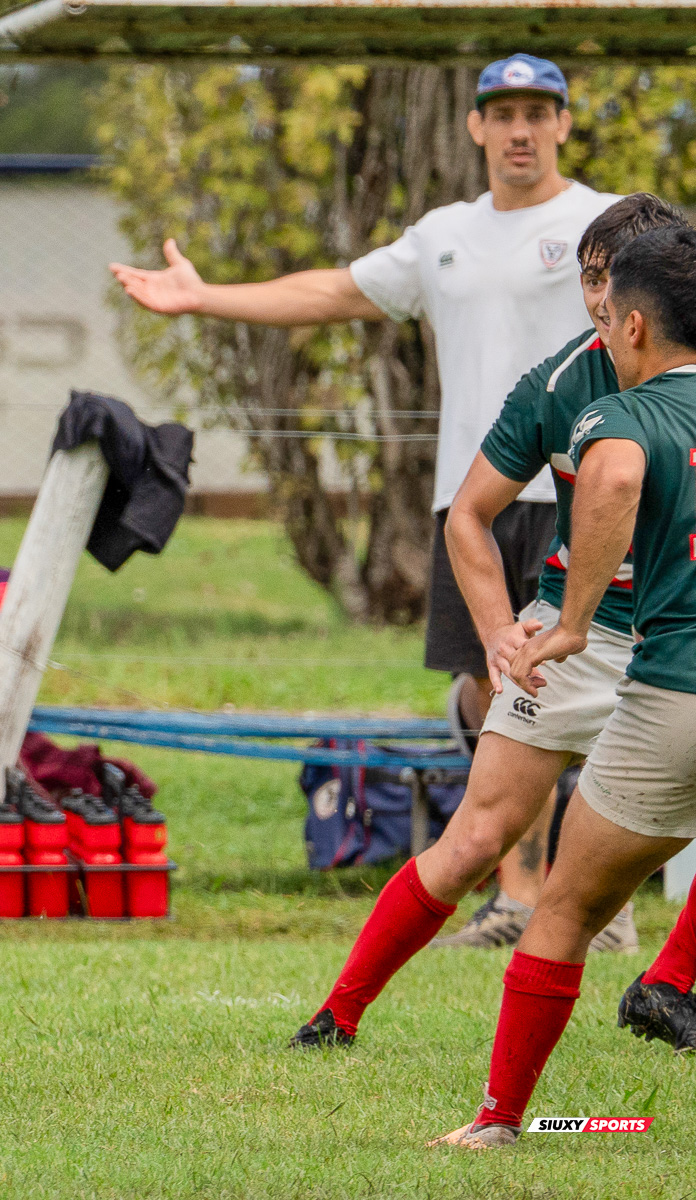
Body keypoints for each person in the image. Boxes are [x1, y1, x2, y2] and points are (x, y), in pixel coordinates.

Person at [111, 53, 620, 943]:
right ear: (475, 127)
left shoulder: (601, 225)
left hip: (583, 487)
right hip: (473, 496)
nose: (521, 129)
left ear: (565, 124)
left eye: (540, 111)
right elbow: (335, 291)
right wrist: (202, 299)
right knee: (488, 685)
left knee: (576, 686)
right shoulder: (443, 234)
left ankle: (559, 897)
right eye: (503, 113)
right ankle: (528, 883)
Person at [288, 194, 683, 1051]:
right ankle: (338, 1014)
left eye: (613, 281)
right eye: (590, 277)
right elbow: (466, 516)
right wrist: (503, 627)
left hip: (678, 647)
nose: (599, 300)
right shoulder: (557, 383)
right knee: (478, 836)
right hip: (575, 641)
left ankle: (668, 987)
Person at [430, 225, 696, 1148]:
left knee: (565, 906)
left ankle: (501, 1122)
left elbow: (615, 477)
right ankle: (666, 984)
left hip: (674, 694)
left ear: (630, 325)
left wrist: (575, 620)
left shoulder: (626, 414)